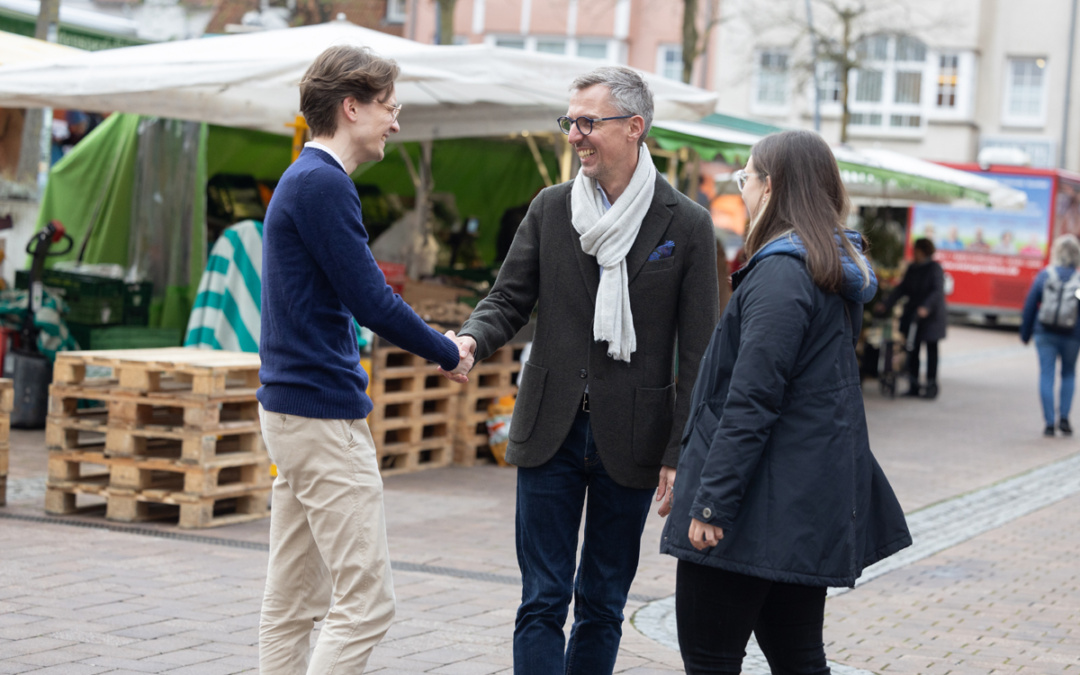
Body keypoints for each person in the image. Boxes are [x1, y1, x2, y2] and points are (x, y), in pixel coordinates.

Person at [443, 66, 719, 674]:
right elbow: (508, 299)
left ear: (634, 128)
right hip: (549, 429)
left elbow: (700, 354)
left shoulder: (688, 224)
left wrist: (680, 450)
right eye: (570, 120)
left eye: (588, 121)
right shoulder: (551, 207)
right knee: (542, 599)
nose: (575, 133)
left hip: (636, 437)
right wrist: (469, 340)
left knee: (602, 604)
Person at [660, 130, 912, 674]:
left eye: (745, 178)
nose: (742, 189)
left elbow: (751, 398)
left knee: (711, 658)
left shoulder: (782, 272)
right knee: (798, 659)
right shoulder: (824, 265)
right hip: (795, 504)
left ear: (770, 187)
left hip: (751, 507)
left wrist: (711, 503)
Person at [256, 45, 471, 674]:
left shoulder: (305, 180)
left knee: (294, 601)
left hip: (292, 412)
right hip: (321, 420)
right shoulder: (324, 184)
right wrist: (445, 350)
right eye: (388, 107)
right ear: (351, 107)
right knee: (367, 604)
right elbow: (371, 299)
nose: (395, 122)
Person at [1020, 233, 1080, 437]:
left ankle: (1049, 422)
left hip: (1044, 333)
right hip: (1072, 335)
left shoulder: (1045, 276)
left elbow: (1030, 304)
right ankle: (1064, 417)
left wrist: (1025, 333)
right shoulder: (1079, 280)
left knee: (1046, 375)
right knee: (1069, 374)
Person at [878, 237, 947, 399]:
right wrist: (886, 304)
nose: (914, 254)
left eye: (916, 251)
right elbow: (901, 289)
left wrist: (926, 307)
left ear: (923, 252)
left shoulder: (934, 268)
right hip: (914, 316)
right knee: (912, 348)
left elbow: (937, 291)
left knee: (931, 350)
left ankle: (931, 385)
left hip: (931, 317)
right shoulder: (912, 269)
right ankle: (914, 384)